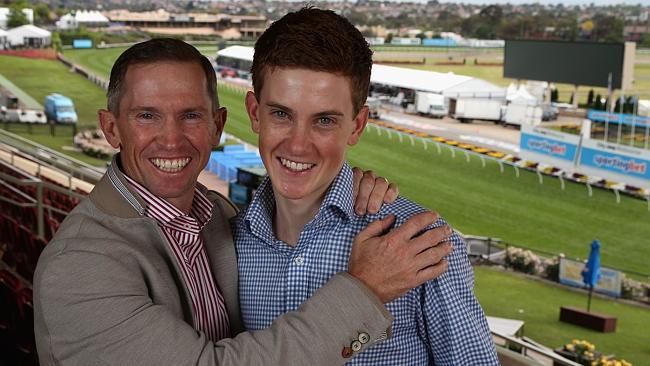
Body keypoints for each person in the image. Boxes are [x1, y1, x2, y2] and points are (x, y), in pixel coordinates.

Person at [33, 38, 452, 366]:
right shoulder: (76, 267)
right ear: (111, 129)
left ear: (217, 126)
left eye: (191, 115)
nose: (172, 138)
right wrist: (365, 289)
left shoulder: (224, 216)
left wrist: (342, 184)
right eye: (147, 116)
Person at [236, 7, 499, 365]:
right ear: (255, 113)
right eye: (281, 114)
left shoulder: (420, 241)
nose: (298, 145)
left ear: (357, 126)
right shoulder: (231, 241)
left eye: (324, 121)